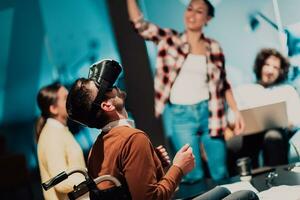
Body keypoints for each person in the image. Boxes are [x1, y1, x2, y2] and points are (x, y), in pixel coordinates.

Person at [127, 0, 244, 182]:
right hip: (182, 116)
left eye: (199, 11)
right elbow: (140, 25)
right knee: (192, 174)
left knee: (220, 171)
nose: (192, 14)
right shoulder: (170, 40)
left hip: (211, 114)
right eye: (190, 9)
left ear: (208, 18)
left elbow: (224, 83)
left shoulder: (214, 47)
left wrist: (236, 111)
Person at [66, 59, 195, 200]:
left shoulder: (95, 150)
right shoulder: (133, 139)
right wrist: (179, 167)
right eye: (109, 87)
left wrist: (152, 162)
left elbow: (122, 190)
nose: (115, 86)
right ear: (107, 105)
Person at [227, 48, 300, 169]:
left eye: (276, 67)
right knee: (233, 143)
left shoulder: (287, 90)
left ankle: (278, 180)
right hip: (248, 134)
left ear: (281, 71)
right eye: (267, 65)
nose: (270, 70)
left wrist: (288, 122)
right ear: (260, 66)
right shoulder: (243, 90)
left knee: (272, 136)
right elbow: (231, 117)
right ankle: (243, 181)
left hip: (277, 132)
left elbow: (297, 118)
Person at [36, 82, 86, 200]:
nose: (71, 100)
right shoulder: (52, 136)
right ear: (53, 108)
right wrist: (91, 180)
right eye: (65, 98)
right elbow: (60, 182)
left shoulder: (59, 130)